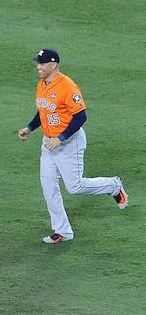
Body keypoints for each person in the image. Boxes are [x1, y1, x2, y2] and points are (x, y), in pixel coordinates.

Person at [17, 48, 128, 243]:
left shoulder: (67, 86)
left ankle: (114, 186)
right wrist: (29, 127)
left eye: (42, 63)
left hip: (69, 142)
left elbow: (81, 116)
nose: (38, 66)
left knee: (75, 187)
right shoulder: (42, 84)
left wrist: (60, 138)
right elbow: (43, 111)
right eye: (38, 63)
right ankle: (63, 231)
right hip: (48, 143)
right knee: (48, 187)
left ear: (54, 65)